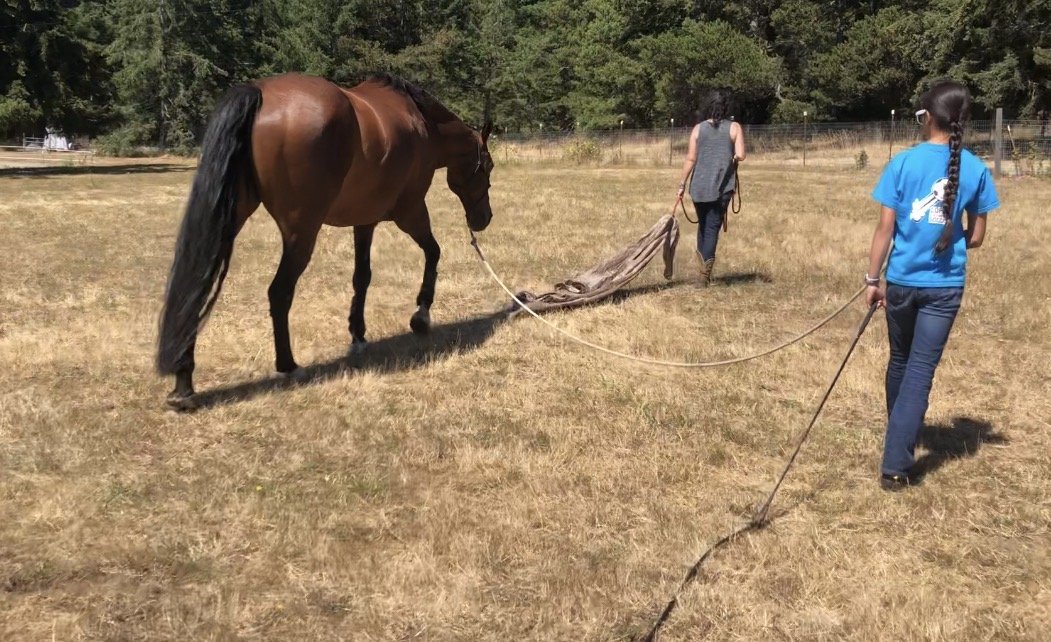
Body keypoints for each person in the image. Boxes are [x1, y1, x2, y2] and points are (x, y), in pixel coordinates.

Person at [865, 79, 1000, 491]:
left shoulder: (903, 163)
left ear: (927, 117)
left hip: (901, 281)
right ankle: (897, 458)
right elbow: (977, 236)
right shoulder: (975, 168)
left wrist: (872, 279)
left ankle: (898, 439)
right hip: (944, 286)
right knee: (920, 370)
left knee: (901, 361)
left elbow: (885, 229)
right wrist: (950, 237)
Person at [676, 89, 746, 287]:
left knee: (703, 225)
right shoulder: (734, 127)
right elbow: (741, 154)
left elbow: (691, 159)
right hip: (721, 187)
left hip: (698, 186)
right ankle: (704, 274)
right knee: (712, 227)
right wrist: (732, 157)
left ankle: (702, 272)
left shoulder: (698, 129)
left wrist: (681, 184)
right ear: (726, 108)